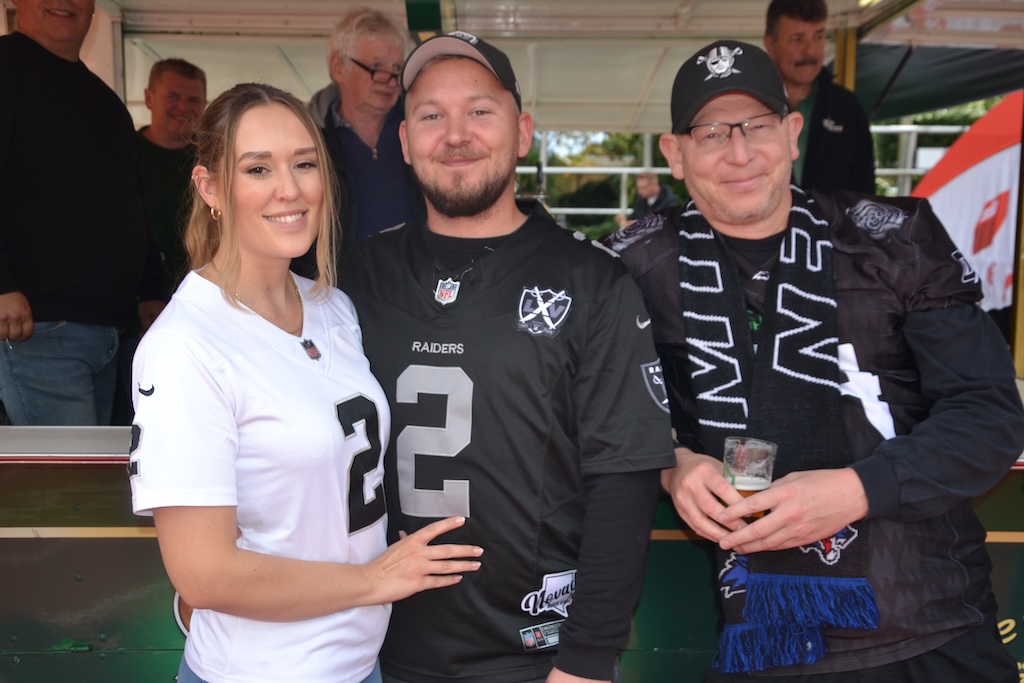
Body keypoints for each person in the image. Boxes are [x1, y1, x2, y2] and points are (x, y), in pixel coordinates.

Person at [603, 39, 1024, 682]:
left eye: (757, 126)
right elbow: (587, 408)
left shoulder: (895, 243)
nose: (740, 154)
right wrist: (670, 463)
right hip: (763, 644)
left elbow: (989, 414)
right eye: (711, 133)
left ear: (792, 132)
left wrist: (858, 489)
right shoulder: (631, 268)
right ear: (675, 152)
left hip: (927, 620)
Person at [339, 32, 675, 683]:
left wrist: (586, 659)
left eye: (479, 111)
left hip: (535, 657)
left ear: (522, 132)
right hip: (367, 650)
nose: (455, 134)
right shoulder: (355, 276)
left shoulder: (592, 281)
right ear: (405, 141)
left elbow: (624, 479)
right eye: (431, 115)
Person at [128, 82, 483, 683]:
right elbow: (203, 575)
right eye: (257, 168)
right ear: (209, 187)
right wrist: (372, 580)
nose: (289, 189)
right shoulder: (184, 346)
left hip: (358, 663)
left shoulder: (331, 306)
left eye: (304, 163)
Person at [0, 0, 167, 426]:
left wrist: (151, 288)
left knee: (101, 466)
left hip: (110, 331)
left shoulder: (106, 102)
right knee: (70, 471)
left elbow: (132, 203)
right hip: (37, 329)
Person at [300, 6, 420, 274]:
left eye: (397, 68)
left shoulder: (421, 128)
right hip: (337, 288)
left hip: (417, 286)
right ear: (338, 67)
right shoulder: (308, 138)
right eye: (376, 67)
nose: (390, 81)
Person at [764, 0, 875, 195]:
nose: (810, 50)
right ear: (771, 45)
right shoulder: (751, 106)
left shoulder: (846, 108)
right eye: (798, 39)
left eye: (818, 36)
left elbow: (865, 195)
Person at [138, 58, 207, 283]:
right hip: (138, 292)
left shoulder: (214, 159)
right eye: (173, 96)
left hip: (203, 286)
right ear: (149, 98)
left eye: (193, 100)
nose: (183, 107)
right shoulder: (123, 156)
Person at [614, 171, 680, 228]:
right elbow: (635, 217)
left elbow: (667, 223)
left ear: (654, 185)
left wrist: (638, 224)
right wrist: (625, 219)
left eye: (643, 188)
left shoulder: (669, 201)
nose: (640, 191)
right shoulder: (641, 199)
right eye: (638, 188)